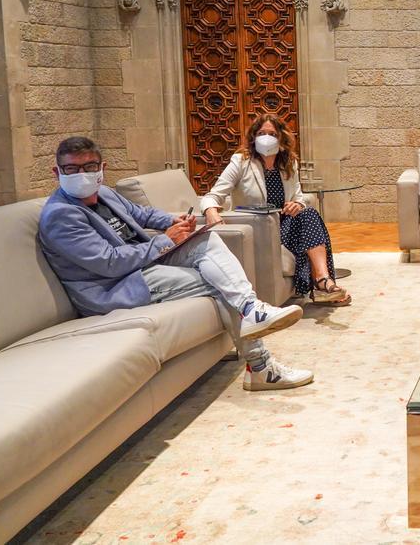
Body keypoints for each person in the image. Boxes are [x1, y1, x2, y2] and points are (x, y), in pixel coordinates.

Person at [38, 136, 313, 391]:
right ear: (56, 172)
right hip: (115, 285)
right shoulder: (61, 215)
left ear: (102, 168)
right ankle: (261, 368)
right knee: (218, 284)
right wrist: (163, 241)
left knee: (206, 241)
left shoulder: (105, 194)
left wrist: (173, 221)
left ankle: (251, 308)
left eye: (89, 166)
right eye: (71, 169)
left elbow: (142, 213)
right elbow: (108, 263)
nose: (81, 175)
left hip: (142, 263)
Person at [202, 114, 349, 306]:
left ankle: (323, 280)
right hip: (259, 229)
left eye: (272, 133)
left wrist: (298, 204)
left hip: (285, 226)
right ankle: (323, 285)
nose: (266, 137)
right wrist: (211, 212)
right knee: (310, 225)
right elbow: (212, 196)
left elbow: (298, 197)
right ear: (254, 137)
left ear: (281, 137)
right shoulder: (241, 161)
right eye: (262, 133)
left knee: (309, 214)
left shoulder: (289, 163)